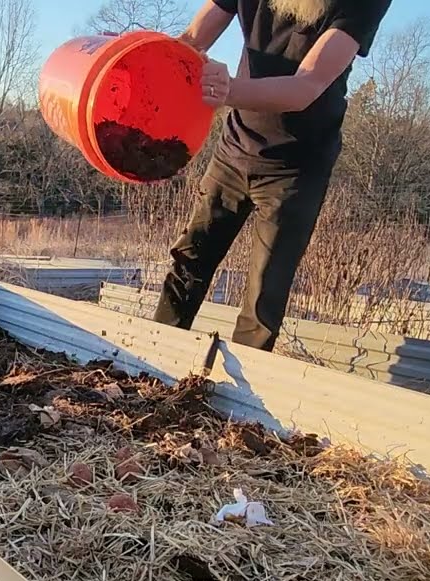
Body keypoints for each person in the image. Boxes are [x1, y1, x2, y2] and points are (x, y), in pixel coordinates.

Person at [154, 0, 392, 351]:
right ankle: (152, 363)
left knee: (264, 297)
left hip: (297, 168)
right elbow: (191, 39)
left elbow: (305, 87)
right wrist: (135, 55)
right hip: (234, 150)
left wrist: (228, 91)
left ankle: (241, 400)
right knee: (189, 262)